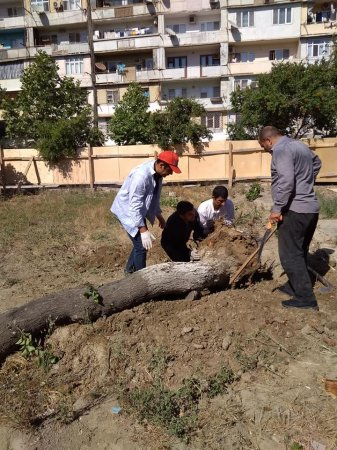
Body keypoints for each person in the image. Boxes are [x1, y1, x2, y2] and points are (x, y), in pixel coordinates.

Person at [258, 126, 322, 310]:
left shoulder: (281, 150)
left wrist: (277, 209)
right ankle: (294, 286)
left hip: (295, 210)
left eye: (265, 147)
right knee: (300, 250)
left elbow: (286, 181)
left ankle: (305, 299)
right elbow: (317, 163)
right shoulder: (299, 145)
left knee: (289, 255)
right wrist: (305, 182)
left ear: (268, 140)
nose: (267, 151)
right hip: (310, 209)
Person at [111, 151, 181, 274]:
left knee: (140, 244)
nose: (170, 173)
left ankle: (129, 270)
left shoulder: (157, 175)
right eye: (170, 170)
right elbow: (134, 205)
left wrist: (159, 216)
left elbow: (154, 197)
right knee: (142, 246)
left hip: (137, 210)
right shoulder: (141, 176)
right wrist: (143, 230)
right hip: (127, 210)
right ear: (161, 165)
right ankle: (141, 279)